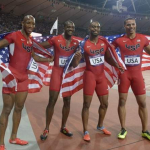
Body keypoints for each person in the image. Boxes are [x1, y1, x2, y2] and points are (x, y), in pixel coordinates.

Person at [0, 15, 53, 150]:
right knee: (6, 110)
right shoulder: (14, 35)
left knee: (19, 108)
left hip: (24, 78)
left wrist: (48, 60)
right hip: (11, 77)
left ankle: (13, 137)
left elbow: (34, 56)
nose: (30, 25)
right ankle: (1, 143)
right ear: (22, 23)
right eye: (28, 23)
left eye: (32, 24)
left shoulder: (30, 41)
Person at [77, 21, 124, 142]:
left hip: (101, 77)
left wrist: (117, 65)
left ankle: (100, 125)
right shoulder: (83, 43)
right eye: (93, 26)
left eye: (98, 27)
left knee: (105, 104)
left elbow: (108, 57)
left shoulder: (103, 42)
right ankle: (86, 131)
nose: (96, 28)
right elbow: (76, 61)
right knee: (86, 105)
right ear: (89, 28)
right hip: (90, 76)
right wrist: (75, 60)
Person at [40, 20, 82, 140]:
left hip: (68, 74)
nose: (70, 28)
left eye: (72, 27)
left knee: (67, 101)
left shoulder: (76, 43)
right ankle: (46, 128)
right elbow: (40, 47)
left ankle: (63, 126)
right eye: (68, 26)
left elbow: (74, 64)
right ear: (64, 27)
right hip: (57, 73)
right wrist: (48, 56)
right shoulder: (56, 39)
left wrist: (77, 59)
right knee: (52, 100)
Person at [112, 17, 150, 140]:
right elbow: (108, 51)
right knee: (122, 101)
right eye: (128, 25)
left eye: (133, 24)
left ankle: (145, 130)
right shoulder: (119, 40)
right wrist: (115, 64)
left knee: (143, 103)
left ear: (135, 25)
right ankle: (123, 128)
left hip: (137, 75)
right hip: (124, 75)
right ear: (125, 26)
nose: (131, 26)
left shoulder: (143, 39)